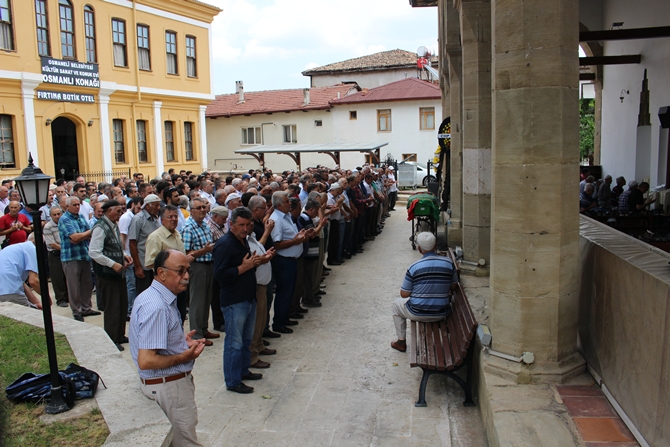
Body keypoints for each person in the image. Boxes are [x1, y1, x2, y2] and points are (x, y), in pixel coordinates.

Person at [129, 249, 206, 447]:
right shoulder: (157, 306)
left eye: (188, 270)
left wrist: (179, 342)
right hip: (169, 388)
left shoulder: (153, 297)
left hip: (167, 386)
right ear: (162, 273)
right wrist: (183, 356)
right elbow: (146, 360)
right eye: (180, 271)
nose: (187, 276)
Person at [213, 207, 266, 393]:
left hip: (248, 297)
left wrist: (256, 262)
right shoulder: (224, 244)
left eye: (248, 225)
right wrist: (242, 268)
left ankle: (243, 371)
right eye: (241, 225)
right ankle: (233, 381)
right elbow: (219, 274)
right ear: (231, 224)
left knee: (245, 339)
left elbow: (247, 264)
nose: (245, 229)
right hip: (234, 301)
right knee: (234, 343)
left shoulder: (242, 241)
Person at [391, 232, 459, 352]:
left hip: (417, 311)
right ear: (435, 245)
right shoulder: (448, 263)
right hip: (441, 312)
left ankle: (401, 341)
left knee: (396, 305)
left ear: (419, 249)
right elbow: (453, 286)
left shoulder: (414, 267)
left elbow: (404, 294)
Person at [90, 200, 133, 351]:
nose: (121, 214)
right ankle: (111, 338)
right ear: (109, 211)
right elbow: (94, 252)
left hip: (118, 273)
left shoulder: (113, 225)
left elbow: (115, 245)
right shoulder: (100, 227)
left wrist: (124, 255)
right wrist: (112, 264)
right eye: (118, 211)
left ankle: (119, 334)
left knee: (121, 304)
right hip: (107, 274)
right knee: (112, 307)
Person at [269, 191, 307, 334]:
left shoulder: (286, 216)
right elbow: (276, 244)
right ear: (279, 205)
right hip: (284, 261)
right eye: (286, 201)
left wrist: (300, 236)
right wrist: (295, 241)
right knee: (284, 292)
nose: (289, 203)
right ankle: (279, 323)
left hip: (292, 259)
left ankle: (284, 317)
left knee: (289, 291)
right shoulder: (277, 219)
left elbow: (290, 235)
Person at [145, 205, 191, 324]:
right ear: (162, 219)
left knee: (180, 315)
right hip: (166, 286)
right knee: (167, 319)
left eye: (175, 216)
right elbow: (150, 263)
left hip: (180, 283)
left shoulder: (177, 234)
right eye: (170, 217)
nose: (173, 219)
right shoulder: (155, 237)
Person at [181, 197, 217, 345]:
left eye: (204, 207)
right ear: (191, 211)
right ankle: (196, 334)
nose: (203, 210)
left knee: (207, 299)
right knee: (197, 301)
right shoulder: (189, 227)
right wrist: (204, 251)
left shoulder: (204, 225)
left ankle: (204, 328)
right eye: (199, 208)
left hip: (209, 264)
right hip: (197, 266)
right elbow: (187, 253)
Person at [59, 197, 99, 321]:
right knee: (74, 286)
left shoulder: (81, 217)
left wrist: (82, 235)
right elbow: (74, 237)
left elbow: (86, 235)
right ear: (67, 206)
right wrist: (85, 234)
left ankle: (86, 308)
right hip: (71, 257)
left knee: (86, 284)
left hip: (83, 254)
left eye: (78, 205)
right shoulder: (64, 219)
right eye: (74, 205)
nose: (77, 207)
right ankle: (76, 311)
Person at [129, 194, 161, 295]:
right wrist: (138, 267)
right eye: (156, 205)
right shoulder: (138, 219)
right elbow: (133, 244)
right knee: (144, 294)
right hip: (143, 265)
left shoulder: (155, 219)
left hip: (154, 265)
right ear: (147, 206)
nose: (158, 208)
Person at [0, 241, 42, 309]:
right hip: (9, 290)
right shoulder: (31, 248)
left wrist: (36, 302)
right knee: (30, 316)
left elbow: (21, 282)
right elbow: (33, 281)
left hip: (6, 286)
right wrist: (47, 299)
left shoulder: (14, 249)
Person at [43, 206, 69, 307]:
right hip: (55, 254)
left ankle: (68, 296)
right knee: (57, 277)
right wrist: (66, 249)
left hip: (66, 252)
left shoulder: (64, 224)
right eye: (54, 215)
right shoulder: (48, 227)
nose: (57, 216)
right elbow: (52, 244)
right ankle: (60, 299)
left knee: (67, 275)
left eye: (59, 214)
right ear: (50, 216)